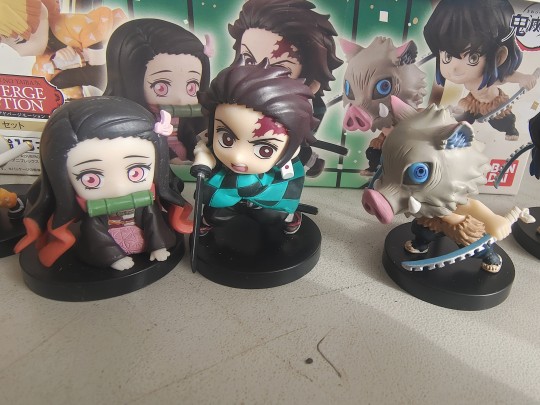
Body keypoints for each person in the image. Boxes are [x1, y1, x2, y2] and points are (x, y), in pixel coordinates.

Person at [15, 96, 192, 270]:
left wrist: (158, 246)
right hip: (108, 240)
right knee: (93, 230)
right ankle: (113, 257)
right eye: (91, 179)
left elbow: (154, 223)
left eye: (136, 172)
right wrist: (113, 257)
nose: (119, 188)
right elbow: (95, 234)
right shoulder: (93, 213)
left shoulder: (146, 203)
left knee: (153, 216)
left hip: (140, 235)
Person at [192, 57, 318, 235]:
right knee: (215, 215)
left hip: (267, 192)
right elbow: (203, 149)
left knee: (274, 217)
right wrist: (202, 160)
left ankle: (290, 216)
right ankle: (207, 221)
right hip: (226, 187)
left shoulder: (287, 161)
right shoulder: (211, 138)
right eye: (227, 139)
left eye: (264, 149)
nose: (238, 157)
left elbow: (291, 183)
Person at [228, 0, 343, 175]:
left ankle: (309, 162)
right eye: (249, 60)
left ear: (311, 83)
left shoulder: (307, 108)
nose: (258, 75)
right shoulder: (231, 97)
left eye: (279, 69)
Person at [424, 0, 537, 140]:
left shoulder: (489, 77)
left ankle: (511, 130)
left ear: (499, 57)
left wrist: (524, 78)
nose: (455, 68)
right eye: (447, 56)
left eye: (473, 57)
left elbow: (507, 76)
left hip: (492, 103)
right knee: (463, 118)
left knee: (502, 122)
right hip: (472, 101)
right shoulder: (468, 78)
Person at [104, 18, 211, 162]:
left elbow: (188, 135)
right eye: (161, 87)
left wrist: (198, 153)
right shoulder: (136, 124)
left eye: (191, 87)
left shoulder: (183, 118)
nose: (180, 98)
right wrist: (172, 158)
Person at [0, 0, 126, 99]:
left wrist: (80, 56)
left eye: (21, 41)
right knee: (57, 82)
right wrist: (55, 62)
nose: (21, 54)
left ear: (42, 12)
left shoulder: (72, 23)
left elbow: (99, 55)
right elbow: (40, 78)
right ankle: (78, 102)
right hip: (91, 78)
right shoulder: (45, 50)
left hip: (114, 61)